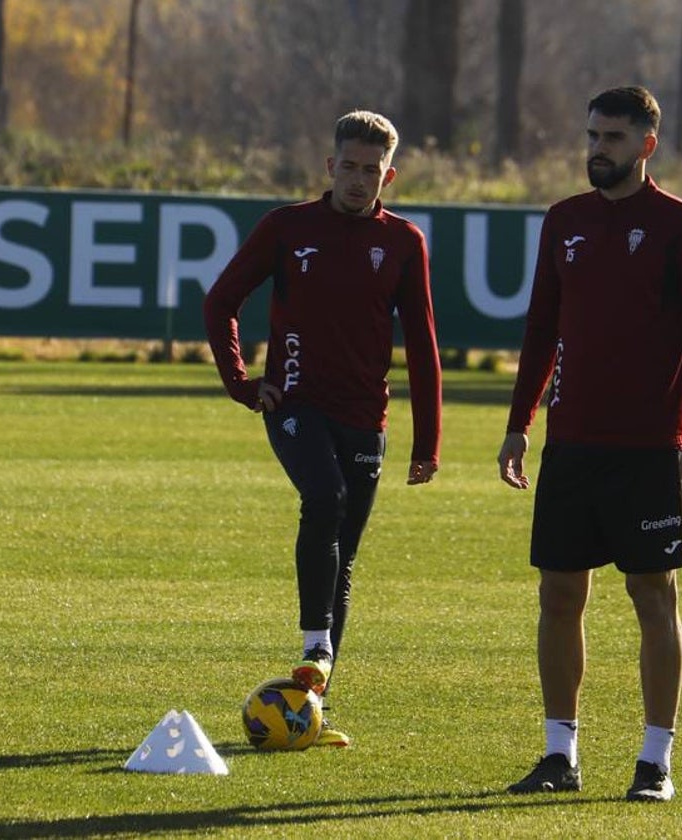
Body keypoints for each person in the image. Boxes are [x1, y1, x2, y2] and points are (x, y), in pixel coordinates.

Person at [497, 86, 682, 801]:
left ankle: (655, 761)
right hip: (571, 443)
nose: (599, 149)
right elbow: (541, 329)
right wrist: (519, 424)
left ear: (647, 145)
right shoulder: (563, 220)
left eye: (615, 138)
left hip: (648, 449)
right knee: (559, 594)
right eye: (594, 135)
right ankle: (558, 756)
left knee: (652, 597)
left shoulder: (680, 226)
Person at [203, 110, 442, 748]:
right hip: (295, 404)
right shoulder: (287, 228)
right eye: (351, 167)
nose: (361, 180)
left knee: (345, 556)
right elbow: (220, 301)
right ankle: (315, 645)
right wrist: (243, 384)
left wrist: (428, 443)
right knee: (325, 499)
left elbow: (422, 346)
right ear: (329, 166)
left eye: (374, 170)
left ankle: (311, 697)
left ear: (389, 175)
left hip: (366, 418)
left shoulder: (403, 243)